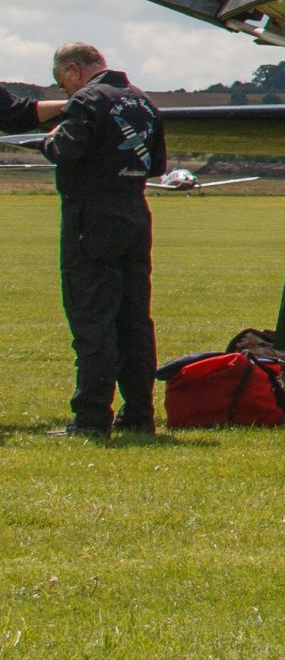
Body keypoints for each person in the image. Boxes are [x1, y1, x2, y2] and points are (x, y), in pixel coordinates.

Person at [0, 44, 165, 437]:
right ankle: (139, 414)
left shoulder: (87, 101)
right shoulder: (142, 101)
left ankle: (91, 418)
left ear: (74, 70)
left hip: (91, 218)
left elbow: (66, 149)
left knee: (92, 317)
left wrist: (46, 142)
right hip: (135, 212)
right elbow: (157, 164)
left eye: (64, 83)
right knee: (134, 319)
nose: (66, 92)